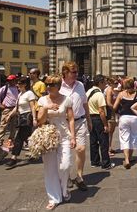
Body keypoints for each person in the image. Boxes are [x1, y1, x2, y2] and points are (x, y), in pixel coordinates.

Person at [37, 75, 76, 210]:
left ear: (58, 86)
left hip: (64, 135)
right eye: (47, 84)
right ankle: (54, 197)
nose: (48, 87)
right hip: (48, 137)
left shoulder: (67, 99)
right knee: (49, 168)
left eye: (51, 85)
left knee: (65, 165)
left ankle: (64, 189)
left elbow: (71, 119)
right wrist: (46, 108)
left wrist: (73, 137)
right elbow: (39, 121)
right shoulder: (42, 100)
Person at [60, 62, 91, 191]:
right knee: (65, 153)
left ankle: (79, 176)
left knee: (81, 149)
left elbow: (85, 103)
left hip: (80, 121)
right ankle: (66, 177)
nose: (76, 75)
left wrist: (89, 120)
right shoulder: (58, 86)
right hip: (64, 124)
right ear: (65, 73)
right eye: (73, 72)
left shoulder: (80, 85)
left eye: (76, 72)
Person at [5, 77, 37, 167]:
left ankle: (13, 158)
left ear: (25, 84)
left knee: (19, 137)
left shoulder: (29, 93)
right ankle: (35, 152)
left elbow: (33, 107)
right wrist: (9, 115)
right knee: (27, 137)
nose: (17, 85)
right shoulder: (20, 94)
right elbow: (17, 107)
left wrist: (34, 118)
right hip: (20, 118)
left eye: (19, 83)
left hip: (27, 118)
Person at [86, 75, 115, 169]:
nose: (105, 85)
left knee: (93, 141)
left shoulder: (89, 91)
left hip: (90, 118)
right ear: (100, 83)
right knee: (103, 141)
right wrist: (105, 125)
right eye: (104, 83)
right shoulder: (99, 94)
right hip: (99, 119)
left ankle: (94, 161)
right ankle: (106, 163)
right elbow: (101, 111)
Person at [113, 78, 137, 169]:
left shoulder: (121, 94)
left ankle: (126, 159)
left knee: (124, 138)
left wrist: (114, 114)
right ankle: (130, 156)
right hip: (135, 118)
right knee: (133, 136)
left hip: (124, 118)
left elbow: (114, 107)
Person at [0, 75, 19, 146]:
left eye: (11, 80)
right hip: (7, 109)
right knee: (3, 124)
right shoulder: (5, 88)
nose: (10, 82)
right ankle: (0, 139)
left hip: (15, 108)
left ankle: (11, 139)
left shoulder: (18, 88)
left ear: (15, 81)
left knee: (13, 125)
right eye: (9, 80)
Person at [105, 77, 120, 156]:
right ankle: (107, 149)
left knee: (112, 131)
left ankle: (110, 147)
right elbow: (108, 102)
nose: (117, 84)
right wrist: (115, 109)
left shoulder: (113, 90)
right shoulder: (109, 90)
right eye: (115, 83)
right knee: (109, 131)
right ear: (111, 83)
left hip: (113, 112)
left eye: (117, 82)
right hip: (110, 112)